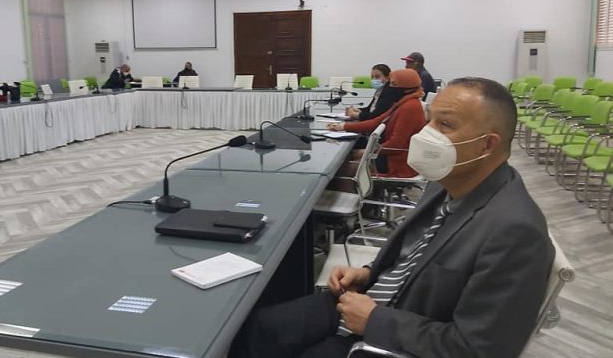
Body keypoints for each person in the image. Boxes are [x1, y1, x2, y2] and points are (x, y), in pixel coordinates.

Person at [231, 77, 554, 358]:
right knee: (262, 327)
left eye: (445, 125)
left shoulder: (516, 232)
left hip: (395, 335)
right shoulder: (447, 181)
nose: (427, 133)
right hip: (372, 299)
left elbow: (480, 349)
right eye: (430, 120)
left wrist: (375, 321)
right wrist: (367, 273)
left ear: (487, 145)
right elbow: (416, 256)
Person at [329, 68, 426, 177]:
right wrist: (342, 126)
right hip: (389, 155)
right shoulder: (403, 102)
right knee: (344, 160)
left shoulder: (410, 107)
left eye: (393, 84)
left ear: (406, 86)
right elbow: (375, 122)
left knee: (340, 170)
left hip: (397, 162)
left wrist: (367, 152)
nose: (390, 87)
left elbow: (395, 144)